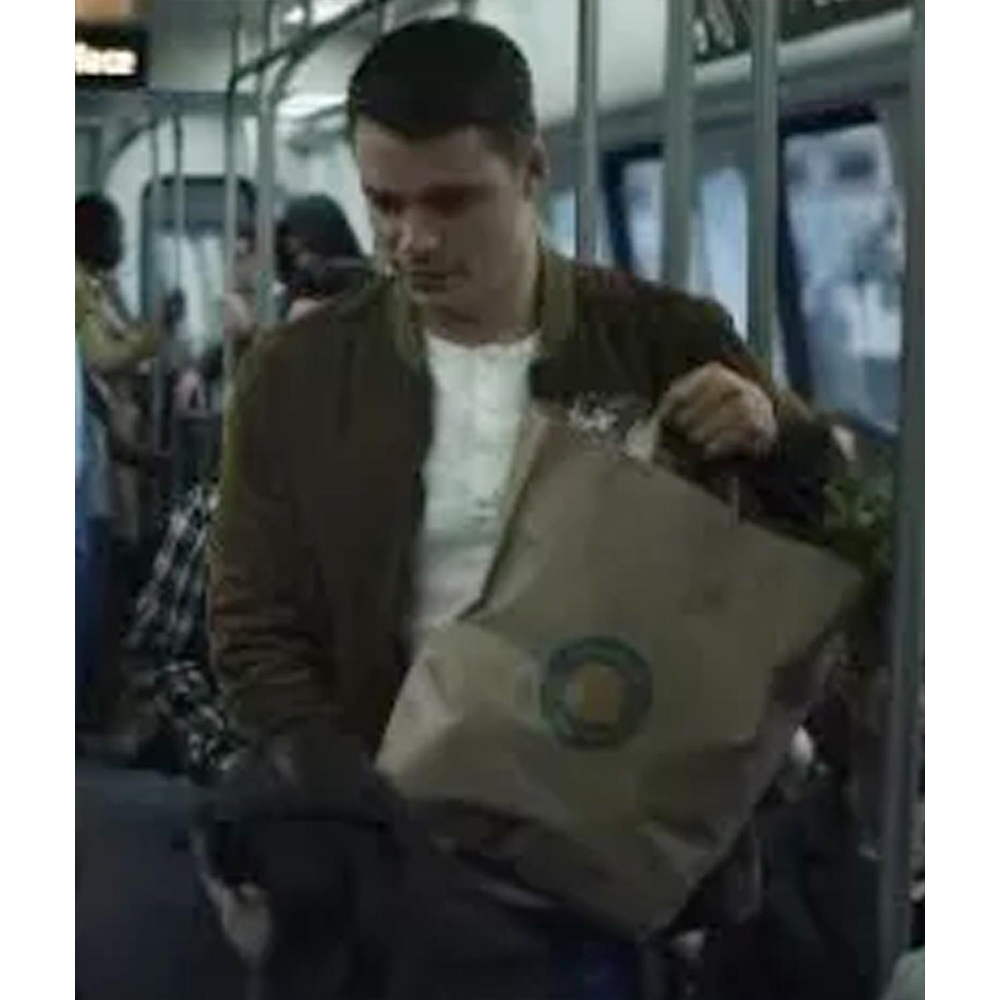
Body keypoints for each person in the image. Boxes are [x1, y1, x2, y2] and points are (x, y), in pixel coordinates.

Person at [207, 17, 837, 996]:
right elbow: (252, 625)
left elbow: (810, 545)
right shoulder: (298, 374)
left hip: (612, 845)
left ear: (533, 169)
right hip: (383, 852)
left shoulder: (659, 338)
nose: (413, 240)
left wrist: (775, 431)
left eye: (453, 200)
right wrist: (362, 814)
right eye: (385, 204)